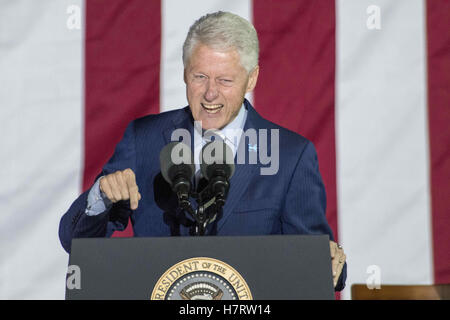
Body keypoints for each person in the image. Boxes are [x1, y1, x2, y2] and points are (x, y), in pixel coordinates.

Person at [59, 11, 347, 291]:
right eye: (200, 77)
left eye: (225, 80)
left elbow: (318, 264)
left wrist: (329, 260)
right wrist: (101, 197)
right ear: (184, 73)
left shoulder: (290, 156)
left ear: (252, 79)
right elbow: (75, 243)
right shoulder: (143, 140)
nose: (210, 93)